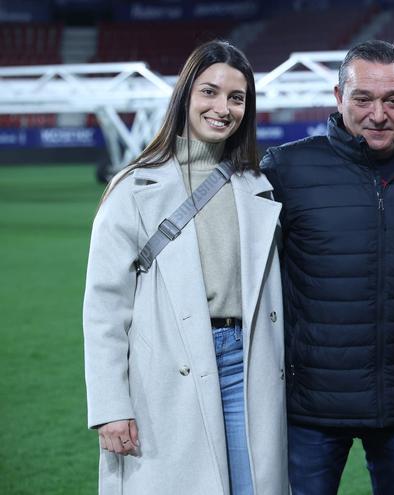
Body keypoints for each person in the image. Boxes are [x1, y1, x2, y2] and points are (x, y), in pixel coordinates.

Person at [82, 40, 287, 494]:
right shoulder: (133, 187)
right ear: (185, 97)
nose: (223, 108)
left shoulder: (259, 185)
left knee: (253, 485)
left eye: (237, 98)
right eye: (210, 92)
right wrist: (111, 405)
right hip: (165, 369)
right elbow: (104, 308)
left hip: (246, 363)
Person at [260, 40, 394, 495]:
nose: (378, 114)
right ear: (338, 97)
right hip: (311, 408)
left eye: (393, 100)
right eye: (363, 98)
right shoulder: (285, 169)